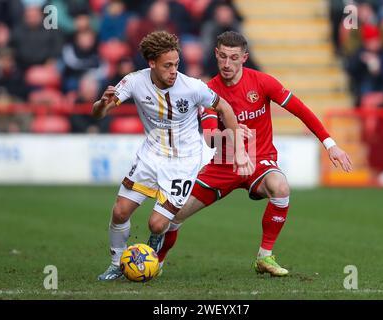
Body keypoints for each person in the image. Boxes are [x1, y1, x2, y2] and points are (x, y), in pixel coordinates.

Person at [148, 31, 353, 277]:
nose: (226, 64)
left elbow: (300, 110)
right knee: (172, 216)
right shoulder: (208, 91)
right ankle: (154, 262)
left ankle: (264, 256)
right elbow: (211, 136)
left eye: (233, 58)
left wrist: (330, 144)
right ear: (215, 54)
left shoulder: (263, 82)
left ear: (244, 57)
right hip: (223, 165)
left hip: (259, 162)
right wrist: (233, 136)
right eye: (222, 56)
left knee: (281, 187)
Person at [93, 30, 254, 281]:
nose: (173, 71)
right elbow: (99, 114)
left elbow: (224, 107)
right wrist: (102, 104)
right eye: (167, 65)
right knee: (120, 211)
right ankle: (116, 263)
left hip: (184, 161)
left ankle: (152, 252)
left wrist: (240, 151)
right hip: (151, 155)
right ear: (152, 63)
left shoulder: (192, 87)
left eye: (176, 64)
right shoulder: (134, 81)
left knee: (156, 224)